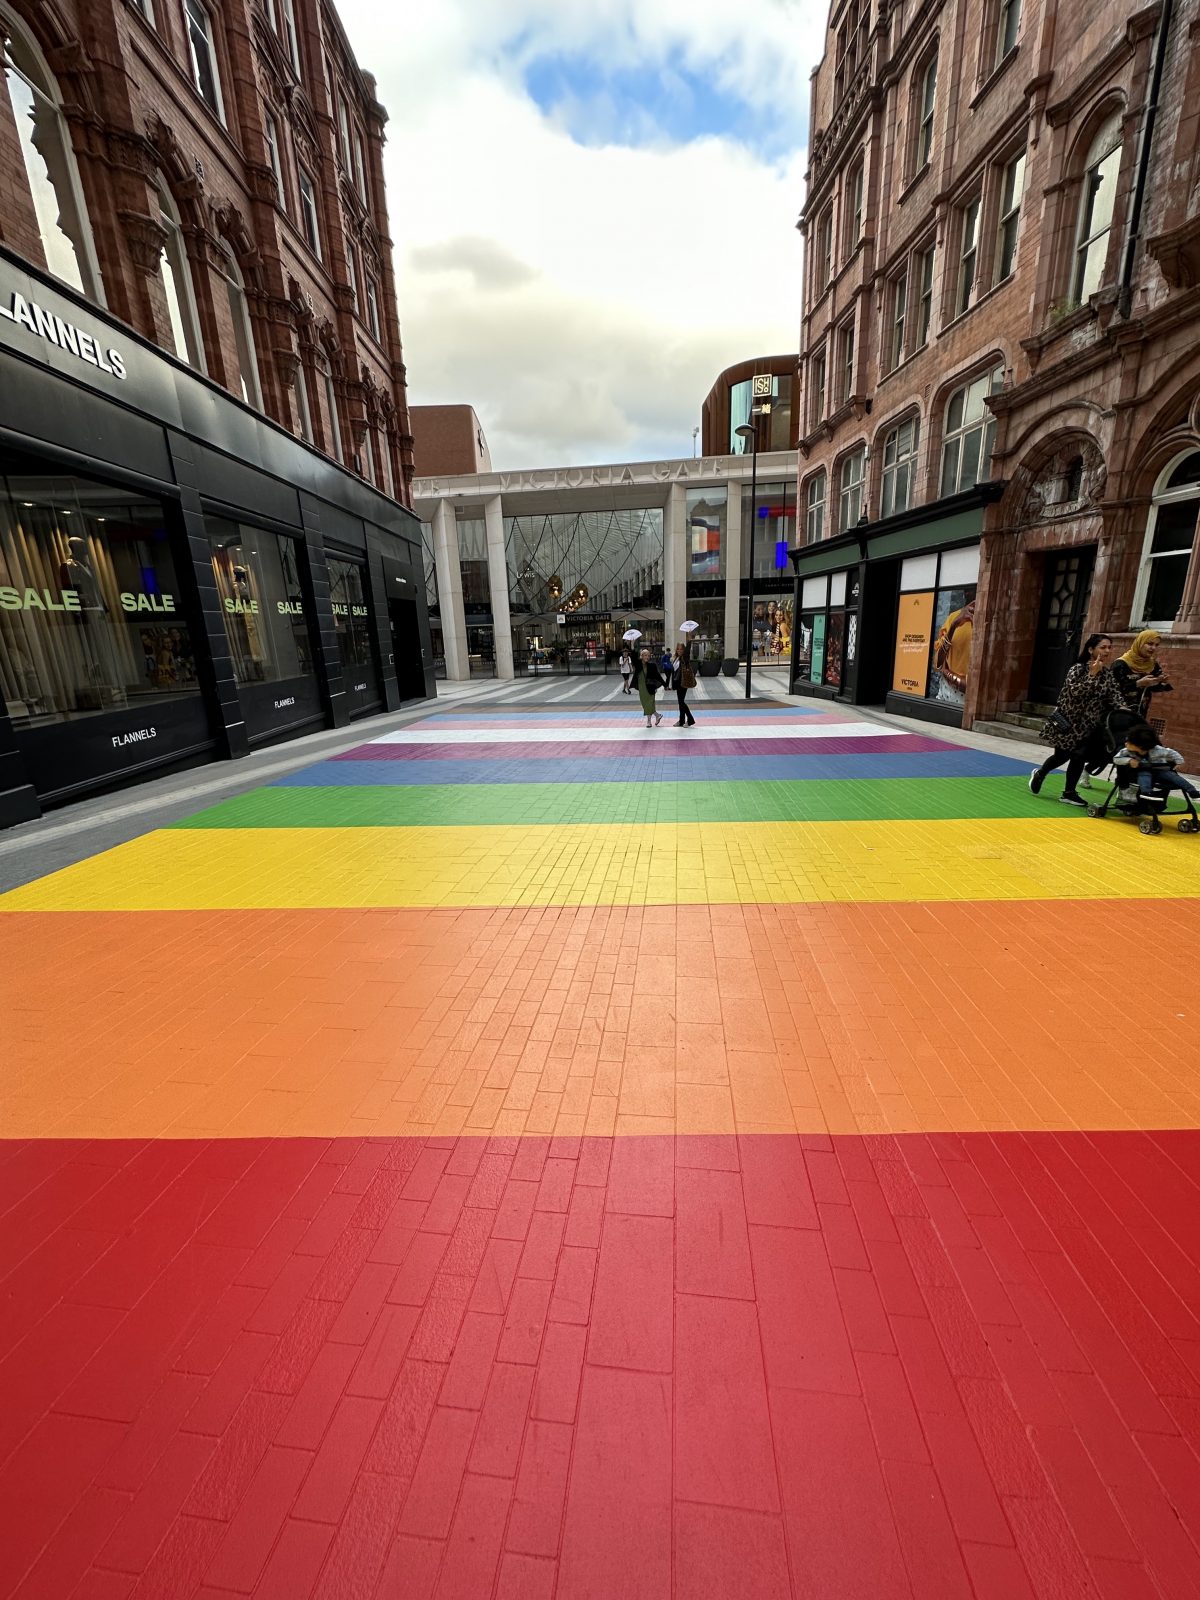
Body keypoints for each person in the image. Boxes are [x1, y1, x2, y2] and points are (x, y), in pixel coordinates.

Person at [1029, 633, 1125, 806]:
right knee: (1061, 757)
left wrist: (1123, 708)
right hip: (1069, 723)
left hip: (1089, 725)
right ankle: (1040, 773)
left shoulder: (1107, 674)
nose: (1107, 651)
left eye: (1109, 648)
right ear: (1090, 649)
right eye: (1102, 647)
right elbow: (1074, 693)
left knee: (1079, 757)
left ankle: (1069, 793)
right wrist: (1091, 675)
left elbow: (1114, 695)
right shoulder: (1077, 669)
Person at [1113, 721, 1200, 802]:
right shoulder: (1126, 751)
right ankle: (1147, 792)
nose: (1126, 744)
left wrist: (1179, 761)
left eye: (1129, 743)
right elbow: (1116, 759)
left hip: (1158, 770)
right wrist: (1129, 760)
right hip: (1141, 771)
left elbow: (1171, 752)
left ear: (1141, 746)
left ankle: (1192, 791)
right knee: (1144, 775)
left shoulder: (1158, 750)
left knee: (1172, 776)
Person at [1111, 630, 1173, 718]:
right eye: (1150, 644)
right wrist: (1138, 683)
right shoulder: (1121, 664)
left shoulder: (1152, 664)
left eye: (1156, 645)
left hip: (1141, 712)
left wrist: (1162, 681)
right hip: (1119, 712)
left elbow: (1153, 688)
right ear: (1140, 643)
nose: (1153, 648)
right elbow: (1111, 689)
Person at [933, 599, 975, 705]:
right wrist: (953, 626)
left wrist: (948, 675)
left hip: (970, 699)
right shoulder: (954, 617)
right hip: (945, 693)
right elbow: (938, 663)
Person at [630, 647, 664, 727]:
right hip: (642, 687)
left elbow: (657, 676)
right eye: (645, 655)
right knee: (645, 704)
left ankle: (649, 721)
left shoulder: (652, 665)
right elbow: (633, 657)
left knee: (649, 703)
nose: (647, 657)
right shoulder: (638, 664)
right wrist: (633, 645)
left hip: (650, 687)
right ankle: (657, 715)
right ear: (641, 656)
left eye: (648, 655)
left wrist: (664, 684)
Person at [670, 641, 696, 727]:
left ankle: (690, 719)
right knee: (680, 702)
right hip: (677, 683)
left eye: (681, 649)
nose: (679, 650)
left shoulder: (684, 658)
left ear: (684, 650)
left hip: (683, 682)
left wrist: (689, 639)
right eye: (678, 649)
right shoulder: (676, 658)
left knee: (681, 702)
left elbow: (687, 651)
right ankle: (681, 721)